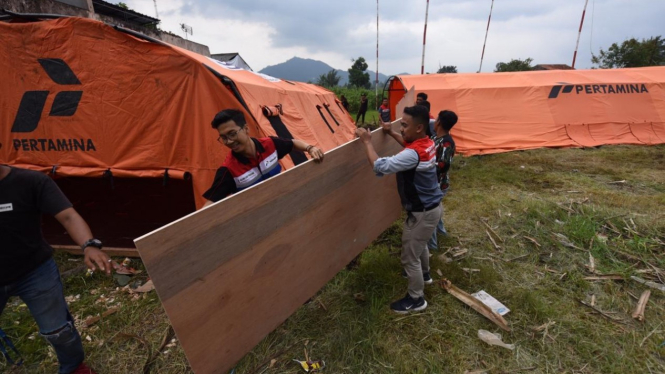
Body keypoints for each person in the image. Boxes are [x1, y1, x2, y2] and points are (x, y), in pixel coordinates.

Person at [0, 165, 112, 374]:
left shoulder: (31, 181)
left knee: (58, 331)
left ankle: (73, 368)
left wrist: (89, 245)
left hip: (34, 272)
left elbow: (68, 216)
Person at [357, 105, 443, 314]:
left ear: (420, 127)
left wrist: (367, 142)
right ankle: (425, 275)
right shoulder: (427, 143)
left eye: (404, 125)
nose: (402, 128)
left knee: (408, 257)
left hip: (422, 213)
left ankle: (416, 299)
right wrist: (391, 131)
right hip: (431, 209)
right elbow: (408, 144)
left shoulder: (413, 154)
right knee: (419, 244)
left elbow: (380, 166)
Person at [202, 109, 324, 206]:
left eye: (232, 134)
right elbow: (211, 203)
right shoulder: (228, 170)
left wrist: (310, 148)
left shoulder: (270, 144)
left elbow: (293, 143)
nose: (229, 141)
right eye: (223, 137)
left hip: (286, 203)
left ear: (246, 129)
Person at [426, 110, 458, 252]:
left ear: (438, 122)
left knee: (429, 214)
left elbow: (444, 165)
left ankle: (432, 245)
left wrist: (424, 166)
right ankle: (441, 231)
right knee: (436, 208)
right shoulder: (435, 137)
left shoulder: (446, 143)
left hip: (437, 184)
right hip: (435, 183)